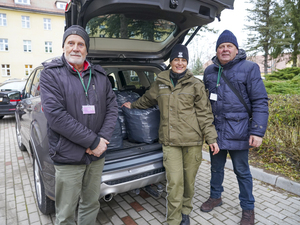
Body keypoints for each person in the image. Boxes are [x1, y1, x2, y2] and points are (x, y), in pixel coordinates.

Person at [122, 44, 219, 225]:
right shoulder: (160, 82)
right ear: (171, 61)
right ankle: (173, 219)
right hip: (170, 141)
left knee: (188, 182)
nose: (180, 63)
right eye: (176, 59)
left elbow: (205, 114)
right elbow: (147, 100)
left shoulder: (196, 85)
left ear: (187, 62)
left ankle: (185, 211)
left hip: (192, 141)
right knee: (175, 182)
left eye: (183, 60)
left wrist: (212, 138)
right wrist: (132, 105)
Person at [40, 25, 118, 225]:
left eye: (81, 44)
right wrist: (92, 141)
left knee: (91, 204)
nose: (76, 48)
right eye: (71, 43)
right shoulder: (51, 74)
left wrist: (102, 140)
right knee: (65, 212)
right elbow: (56, 116)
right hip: (68, 155)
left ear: (87, 49)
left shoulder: (100, 76)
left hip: (96, 156)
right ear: (64, 46)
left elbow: (112, 108)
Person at [201, 30, 269, 225]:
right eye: (221, 46)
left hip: (239, 131)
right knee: (216, 168)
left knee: (242, 171)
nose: (224, 50)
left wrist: (257, 130)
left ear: (236, 49)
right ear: (217, 50)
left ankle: (248, 209)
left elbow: (260, 100)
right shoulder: (209, 71)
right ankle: (216, 197)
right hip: (216, 131)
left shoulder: (249, 68)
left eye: (228, 46)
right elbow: (204, 103)